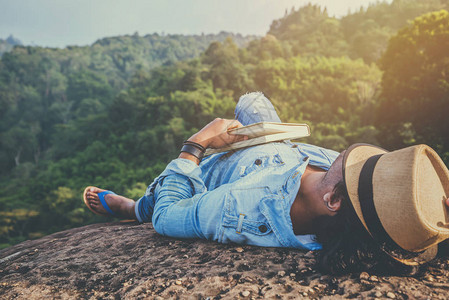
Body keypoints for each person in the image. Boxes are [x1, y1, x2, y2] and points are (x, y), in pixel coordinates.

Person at [84, 92, 449, 274]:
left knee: (159, 194)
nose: (354, 155)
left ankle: (132, 206)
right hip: (276, 149)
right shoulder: (367, 206)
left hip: (220, 169)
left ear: (334, 200)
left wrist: (196, 144)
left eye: (357, 166)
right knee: (253, 100)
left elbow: (169, 216)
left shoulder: (242, 206)